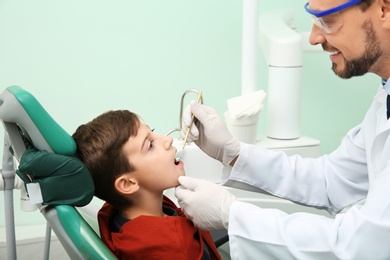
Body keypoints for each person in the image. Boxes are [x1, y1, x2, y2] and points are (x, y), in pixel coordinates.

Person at [174, 0, 390, 259]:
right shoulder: (385, 95)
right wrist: (233, 153)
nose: (313, 37)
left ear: (384, 9)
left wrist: (232, 214)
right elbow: (330, 179)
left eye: (328, 21)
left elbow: (360, 245)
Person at [72, 110, 221, 260]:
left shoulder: (115, 212)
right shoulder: (175, 246)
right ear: (128, 183)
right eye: (150, 145)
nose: (168, 139)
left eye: (153, 132)